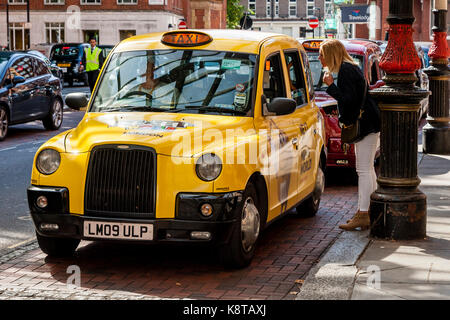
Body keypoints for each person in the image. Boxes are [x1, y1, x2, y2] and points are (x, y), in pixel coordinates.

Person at [319, 39, 380, 231]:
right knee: (367, 169)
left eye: (322, 54)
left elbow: (348, 99)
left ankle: (364, 213)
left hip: (365, 125)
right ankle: (370, 209)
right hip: (369, 123)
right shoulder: (350, 68)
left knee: (363, 169)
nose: (320, 58)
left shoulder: (345, 70)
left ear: (330, 55)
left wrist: (330, 85)